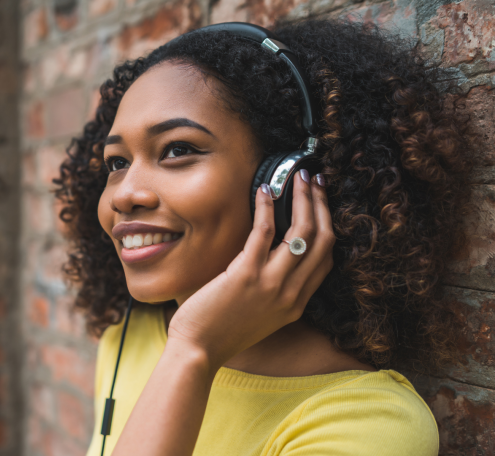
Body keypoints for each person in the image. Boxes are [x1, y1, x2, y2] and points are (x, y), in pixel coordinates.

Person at [54, 19, 472, 456]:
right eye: (117, 163)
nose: (124, 194)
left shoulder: (366, 425)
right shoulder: (130, 340)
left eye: (178, 149)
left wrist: (192, 353)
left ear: (286, 181)